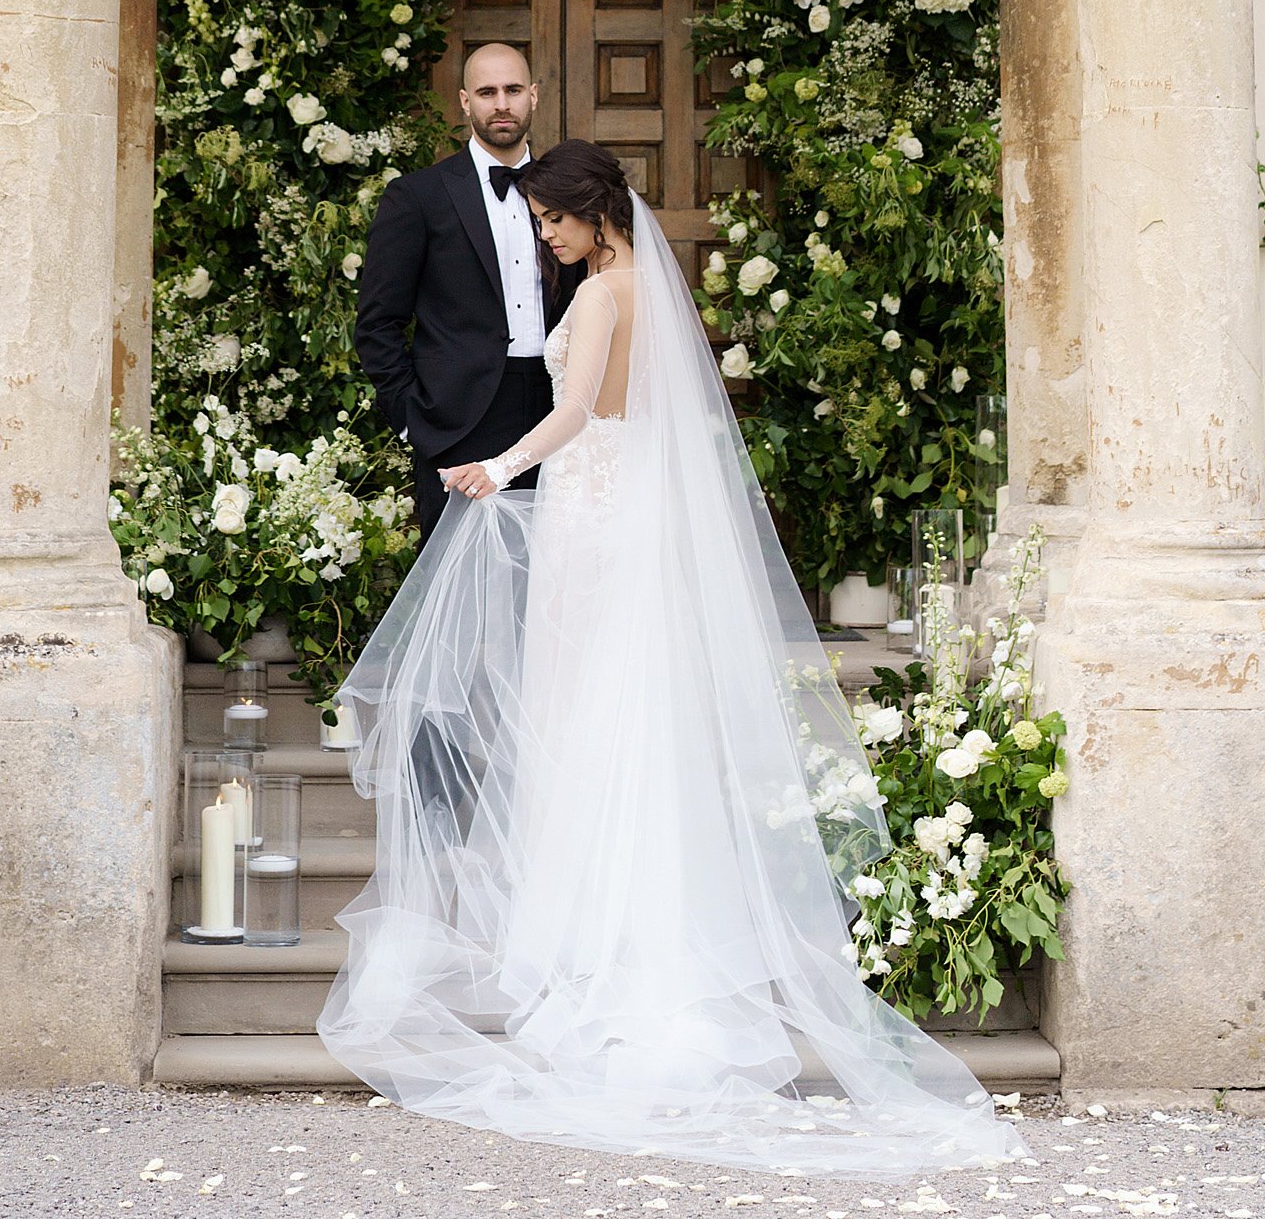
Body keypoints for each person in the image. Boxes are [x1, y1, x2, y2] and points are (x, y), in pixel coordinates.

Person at [319, 139, 1021, 1176]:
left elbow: (572, 412)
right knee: (628, 717)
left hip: (594, 521)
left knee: (588, 718)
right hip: (628, 511)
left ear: (590, 213)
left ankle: (603, 954)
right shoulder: (650, 280)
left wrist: (494, 468)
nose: (545, 239)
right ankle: (636, 940)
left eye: (553, 221)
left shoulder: (603, 294)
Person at [354, 44, 584, 544]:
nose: (501, 103)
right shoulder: (417, 197)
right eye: (487, 92)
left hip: (557, 412)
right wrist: (415, 421)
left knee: (554, 579)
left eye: (513, 90)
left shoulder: (568, 195)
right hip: (458, 420)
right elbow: (377, 322)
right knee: (462, 591)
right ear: (465, 101)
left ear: (534, 96)